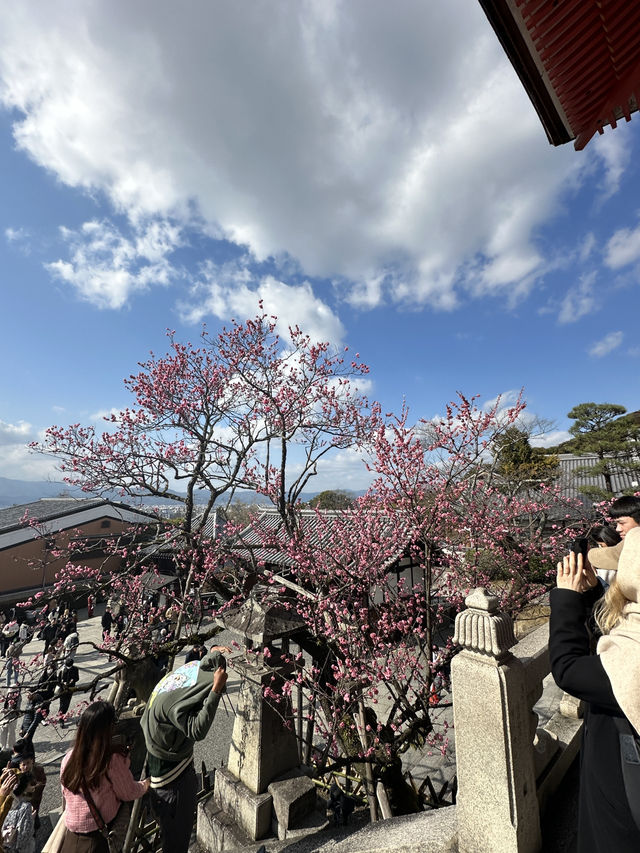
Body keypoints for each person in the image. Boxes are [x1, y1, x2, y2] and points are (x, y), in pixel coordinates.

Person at [550, 525, 640, 851]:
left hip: (622, 805)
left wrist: (566, 598)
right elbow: (614, 638)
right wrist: (590, 596)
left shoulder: (635, 659)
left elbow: (568, 669)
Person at [141, 647, 229, 853]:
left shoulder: (189, 671)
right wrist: (215, 691)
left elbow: (205, 663)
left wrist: (215, 653)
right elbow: (197, 730)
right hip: (172, 781)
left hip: (157, 761)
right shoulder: (176, 708)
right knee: (176, 840)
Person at [60, 701, 150, 853]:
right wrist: (145, 784)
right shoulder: (110, 760)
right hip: (97, 840)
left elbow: (64, 794)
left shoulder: (69, 758)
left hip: (71, 838)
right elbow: (128, 792)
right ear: (108, 729)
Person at [1, 771, 35, 853]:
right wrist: (31, 819)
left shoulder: (6, 803)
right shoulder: (25, 807)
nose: (34, 786)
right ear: (24, 786)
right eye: (32, 784)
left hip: (4, 845)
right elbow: (24, 835)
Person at [57, 658, 80, 725]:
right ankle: (61, 718)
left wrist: (73, 680)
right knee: (62, 704)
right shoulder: (62, 670)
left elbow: (77, 678)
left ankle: (63, 714)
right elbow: (58, 681)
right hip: (63, 689)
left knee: (67, 704)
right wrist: (62, 683)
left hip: (70, 689)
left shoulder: (75, 669)